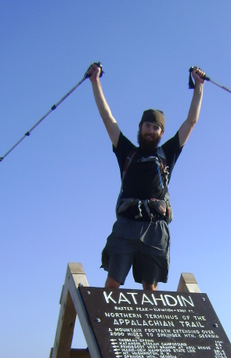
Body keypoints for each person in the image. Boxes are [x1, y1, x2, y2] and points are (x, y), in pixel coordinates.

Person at [88, 64, 205, 290]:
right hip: (126, 224)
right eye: (147, 126)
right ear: (140, 127)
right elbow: (107, 118)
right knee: (112, 285)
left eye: (156, 128)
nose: (151, 131)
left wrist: (199, 87)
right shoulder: (126, 152)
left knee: (150, 288)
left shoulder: (167, 154)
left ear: (161, 133)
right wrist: (95, 82)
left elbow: (191, 121)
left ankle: (147, 326)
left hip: (155, 227)